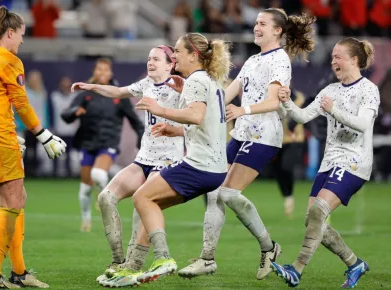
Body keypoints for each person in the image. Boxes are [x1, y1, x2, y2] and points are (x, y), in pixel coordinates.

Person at [178, 8, 315, 280]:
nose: (256, 27)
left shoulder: (280, 60)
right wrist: (204, 107)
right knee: (215, 193)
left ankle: (269, 247)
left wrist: (243, 110)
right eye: (255, 23)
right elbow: (228, 93)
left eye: (262, 24)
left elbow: (274, 102)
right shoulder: (253, 59)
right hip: (241, 134)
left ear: (278, 30)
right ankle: (207, 258)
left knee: (226, 193)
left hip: (263, 135)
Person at [0, 6, 66, 289]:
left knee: (14, 201)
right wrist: (43, 135)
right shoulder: (9, 61)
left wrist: (8, 134)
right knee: (12, 205)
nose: (22, 40)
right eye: (21, 34)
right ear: (9, 33)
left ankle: (19, 272)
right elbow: (21, 103)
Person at [70, 46, 184, 287]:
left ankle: (135, 265)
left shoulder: (180, 86)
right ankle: (118, 261)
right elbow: (119, 91)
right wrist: (93, 87)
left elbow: (198, 115)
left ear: (169, 64)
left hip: (166, 162)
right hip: (143, 159)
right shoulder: (146, 84)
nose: (150, 62)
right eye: (149, 58)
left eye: (156, 59)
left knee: (142, 205)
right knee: (105, 197)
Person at [272, 38, 379, 288]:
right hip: (329, 162)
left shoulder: (368, 90)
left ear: (354, 60)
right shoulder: (330, 91)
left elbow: (364, 125)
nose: (333, 61)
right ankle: (354, 263)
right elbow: (301, 116)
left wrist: (334, 111)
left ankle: (296, 270)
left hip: (355, 162)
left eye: (338, 56)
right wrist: (287, 100)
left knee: (319, 210)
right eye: (332, 57)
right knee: (312, 220)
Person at [126, 32, 232, 284]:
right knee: (153, 204)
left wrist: (160, 109)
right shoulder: (210, 79)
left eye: (178, 51)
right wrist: (174, 128)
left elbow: (195, 115)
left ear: (193, 55)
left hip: (199, 164)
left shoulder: (196, 80)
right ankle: (134, 266)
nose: (174, 56)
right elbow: (205, 121)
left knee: (141, 196)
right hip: (216, 168)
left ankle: (162, 258)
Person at [62, 58, 144, 232]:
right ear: (94, 71)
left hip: (109, 142)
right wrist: (74, 112)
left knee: (98, 174)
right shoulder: (85, 94)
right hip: (88, 142)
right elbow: (66, 115)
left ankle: (104, 196)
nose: (102, 73)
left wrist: (141, 139)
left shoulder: (118, 96)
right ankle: (86, 218)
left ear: (110, 73)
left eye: (105, 70)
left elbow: (135, 121)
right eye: (99, 69)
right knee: (85, 186)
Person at [274, 88, 305, 218]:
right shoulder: (273, 106)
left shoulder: (297, 104)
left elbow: (301, 133)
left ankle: (289, 195)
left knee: (286, 167)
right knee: (278, 172)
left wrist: (294, 135)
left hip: (292, 142)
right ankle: (287, 196)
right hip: (277, 143)